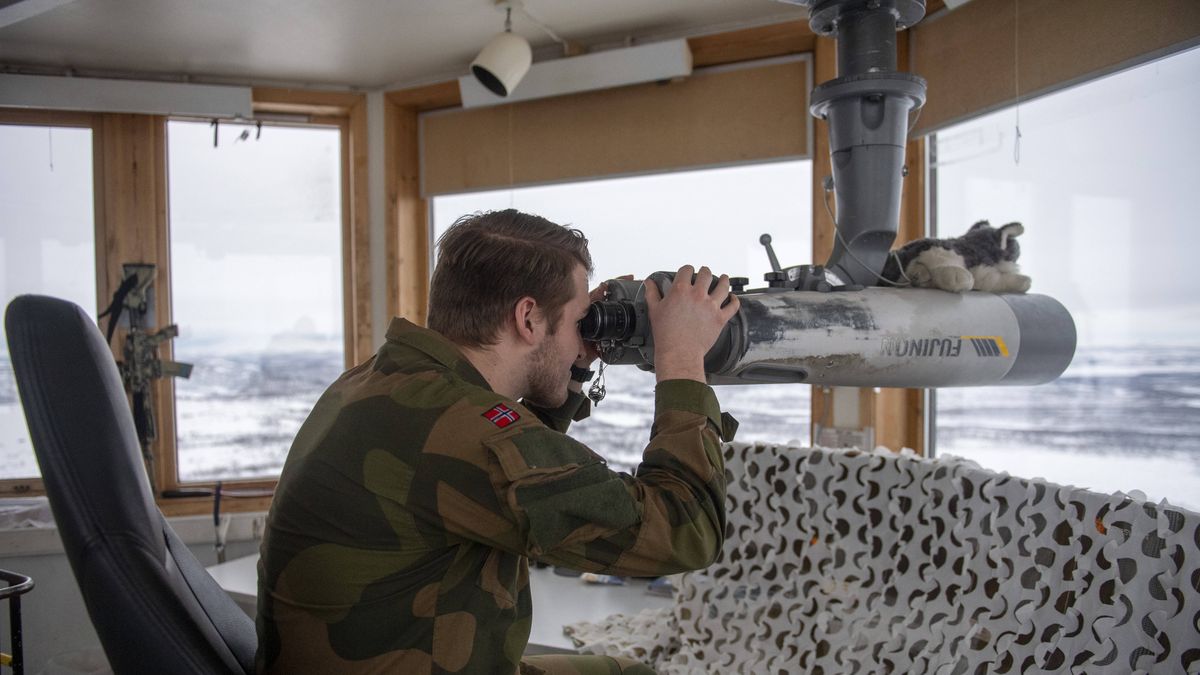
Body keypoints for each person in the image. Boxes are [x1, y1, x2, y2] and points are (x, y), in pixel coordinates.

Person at [256, 209, 740, 674]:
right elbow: (684, 531)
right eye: (577, 321)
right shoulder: (470, 433)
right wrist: (681, 360)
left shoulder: (383, 382)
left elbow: (505, 472)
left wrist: (571, 362)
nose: (580, 337)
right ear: (528, 318)